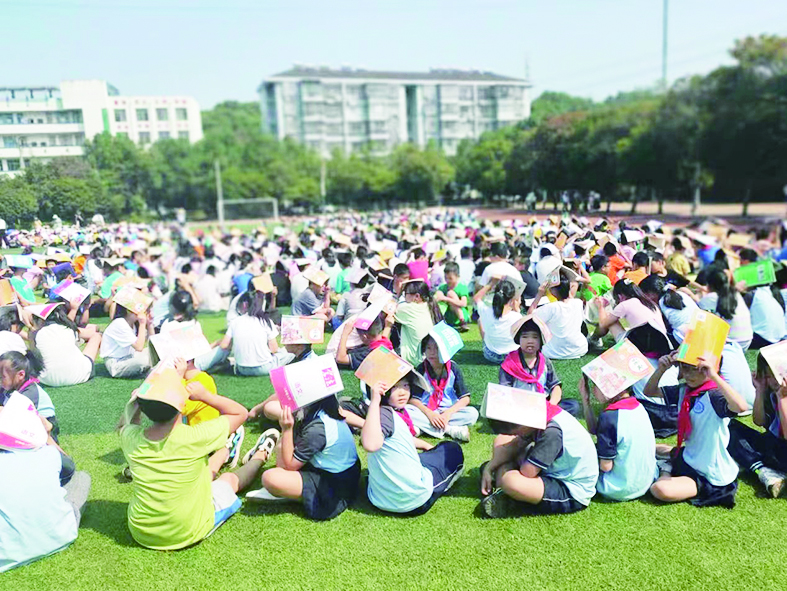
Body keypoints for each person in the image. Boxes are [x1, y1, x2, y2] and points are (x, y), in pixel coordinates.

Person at [119, 361, 274, 550]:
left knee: (201, 473)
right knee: (228, 480)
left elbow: (127, 424)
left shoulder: (130, 438)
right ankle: (260, 455)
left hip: (141, 531)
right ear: (183, 403)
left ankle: (225, 450)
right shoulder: (195, 437)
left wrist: (137, 403)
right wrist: (206, 396)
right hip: (187, 531)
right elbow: (240, 413)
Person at [646, 353, 748, 507]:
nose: (689, 374)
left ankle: (665, 467)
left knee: (660, 489)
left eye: (697, 369)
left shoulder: (714, 395)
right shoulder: (685, 390)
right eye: (685, 368)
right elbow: (649, 391)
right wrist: (661, 369)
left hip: (709, 474)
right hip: (690, 456)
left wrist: (714, 376)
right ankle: (671, 459)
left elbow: (741, 407)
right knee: (652, 448)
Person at [0, 398, 90, 572]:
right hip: (62, 536)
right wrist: (47, 437)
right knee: (81, 478)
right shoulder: (49, 453)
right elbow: (70, 469)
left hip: (5, 555)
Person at [361, 375, 464, 516]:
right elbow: (370, 445)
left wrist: (426, 446)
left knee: (427, 455)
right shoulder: (384, 414)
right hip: (414, 501)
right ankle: (445, 482)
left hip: (377, 500)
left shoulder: (381, 414)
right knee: (451, 449)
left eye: (405, 386)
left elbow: (400, 439)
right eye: (395, 387)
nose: (402, 392)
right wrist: (375, 401)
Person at [246, 396, 361, 520]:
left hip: (333, 487)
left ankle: (289, 493)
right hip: (341, 471)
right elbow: (270, 408)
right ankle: (290, 488)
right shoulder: (327, 408)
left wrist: (286, 429)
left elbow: (289, 466)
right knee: (282, 446)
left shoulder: (317, 429)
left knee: (270, 478)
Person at [479, 401, 599, 518]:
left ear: (523, 425)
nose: (516, 435)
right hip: (550, 469)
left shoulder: (552, 432)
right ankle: (503, 486)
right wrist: (489, 468)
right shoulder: (536, 415)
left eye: (516, 432)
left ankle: (508, 495)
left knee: (510, 481)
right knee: (502, 440)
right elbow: (514, 445)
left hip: (569, 488)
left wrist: (508, 463)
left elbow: (528, 472)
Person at [578, 375, 658, 501]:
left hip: (617, 488)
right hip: (647, 481)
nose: (593, 390)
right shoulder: (640, 407)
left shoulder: (610, 417)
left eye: (596, 386)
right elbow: (594, 430)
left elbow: (606, 466)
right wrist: (585, 400)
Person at [726, 353, 787, 497]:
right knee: (730, 427)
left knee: (750, 448)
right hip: (776, 447)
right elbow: (759, 421)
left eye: (776, 375)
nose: (772, 380)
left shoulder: (781, 396)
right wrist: (759, 390)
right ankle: (765, 469)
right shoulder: (773, 394)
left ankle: (764, 470)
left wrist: (783, 399)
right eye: (768, 376)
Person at [498, 316, 580, 419]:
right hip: (518, 404)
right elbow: (504, 390)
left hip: (543, 403)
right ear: (518, 339)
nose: (530, 341)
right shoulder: (510, 363)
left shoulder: (545, 361)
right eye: (525, 337)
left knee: (573, 405)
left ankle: (540, 416)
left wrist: (551, 405)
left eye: (535, 337)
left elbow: (555, 386)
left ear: (541, 341)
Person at [405, 333, 478, 442]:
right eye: (428, 348)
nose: (432, 352)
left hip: (448, 410)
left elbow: (465, 398)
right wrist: (430, 414)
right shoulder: (421, 369)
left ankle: (424, 428)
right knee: (407, 410)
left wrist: (448, 414)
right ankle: (449, 429)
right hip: (427, 410)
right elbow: (414, 400)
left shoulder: (453, 368)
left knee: (472, 413)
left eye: (437, 348)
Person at [206, 291, 294, 376]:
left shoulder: (235, 321)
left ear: (245, 305)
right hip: (264, 368)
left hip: (241, 369)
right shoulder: (265, 321)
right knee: (289, 351)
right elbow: (274, 349)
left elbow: (224, 345)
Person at [33, 304, 101, 387]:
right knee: (97, 336)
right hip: (79, 376)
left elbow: (34, 357)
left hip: (47, 380)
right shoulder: (68, 329)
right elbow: (91, 334)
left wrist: (29, 327)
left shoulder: (36, 333)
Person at [529, 274, 588, 360]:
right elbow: (569, 299)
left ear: (553, 291)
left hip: (554, 352)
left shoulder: (551, 307)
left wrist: (539, 294)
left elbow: (529, 316)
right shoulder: (578, 303)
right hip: (580, 349)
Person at [697, 269, 753, 351]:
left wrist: (700, 294)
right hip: (746, 341)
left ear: (709, 285)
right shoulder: (734, 293)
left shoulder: (711, 297)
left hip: (730, 344)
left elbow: (698, 307)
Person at [101, 298, 153, 379]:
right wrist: (142, 324)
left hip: (129, 357)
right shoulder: (120, 323)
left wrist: (150, 325)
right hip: (116, 363)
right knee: (144, 361)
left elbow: (152, 343)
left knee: (155, 352)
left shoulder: (132, 324)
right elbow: (139, 347)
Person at [394, 279, 441, 367]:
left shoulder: (408, 308)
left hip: (416, 361)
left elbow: (388, 309)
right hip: (428, 357)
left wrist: (398, 293)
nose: (404, 297)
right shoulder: (428, 305)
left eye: (405, 294)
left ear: (416, 296)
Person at [474, 278, 521, 364]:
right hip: (512, 357)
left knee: (480, 320)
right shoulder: (517, 316)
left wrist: (491, 283)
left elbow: (477, 298)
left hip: (491, 355)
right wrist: (517, 310)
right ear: (512, 298)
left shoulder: (486, 310)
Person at [434, 261, 471, 331]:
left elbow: (464, 303)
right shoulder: (443, 287)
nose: (447, 280)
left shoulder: (462, 287)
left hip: (460, 315)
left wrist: (446, 299)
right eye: (446, 278)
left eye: (450, 278)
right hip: (449, 317)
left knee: (450, 293)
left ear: (457, 277)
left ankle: (462, 321)